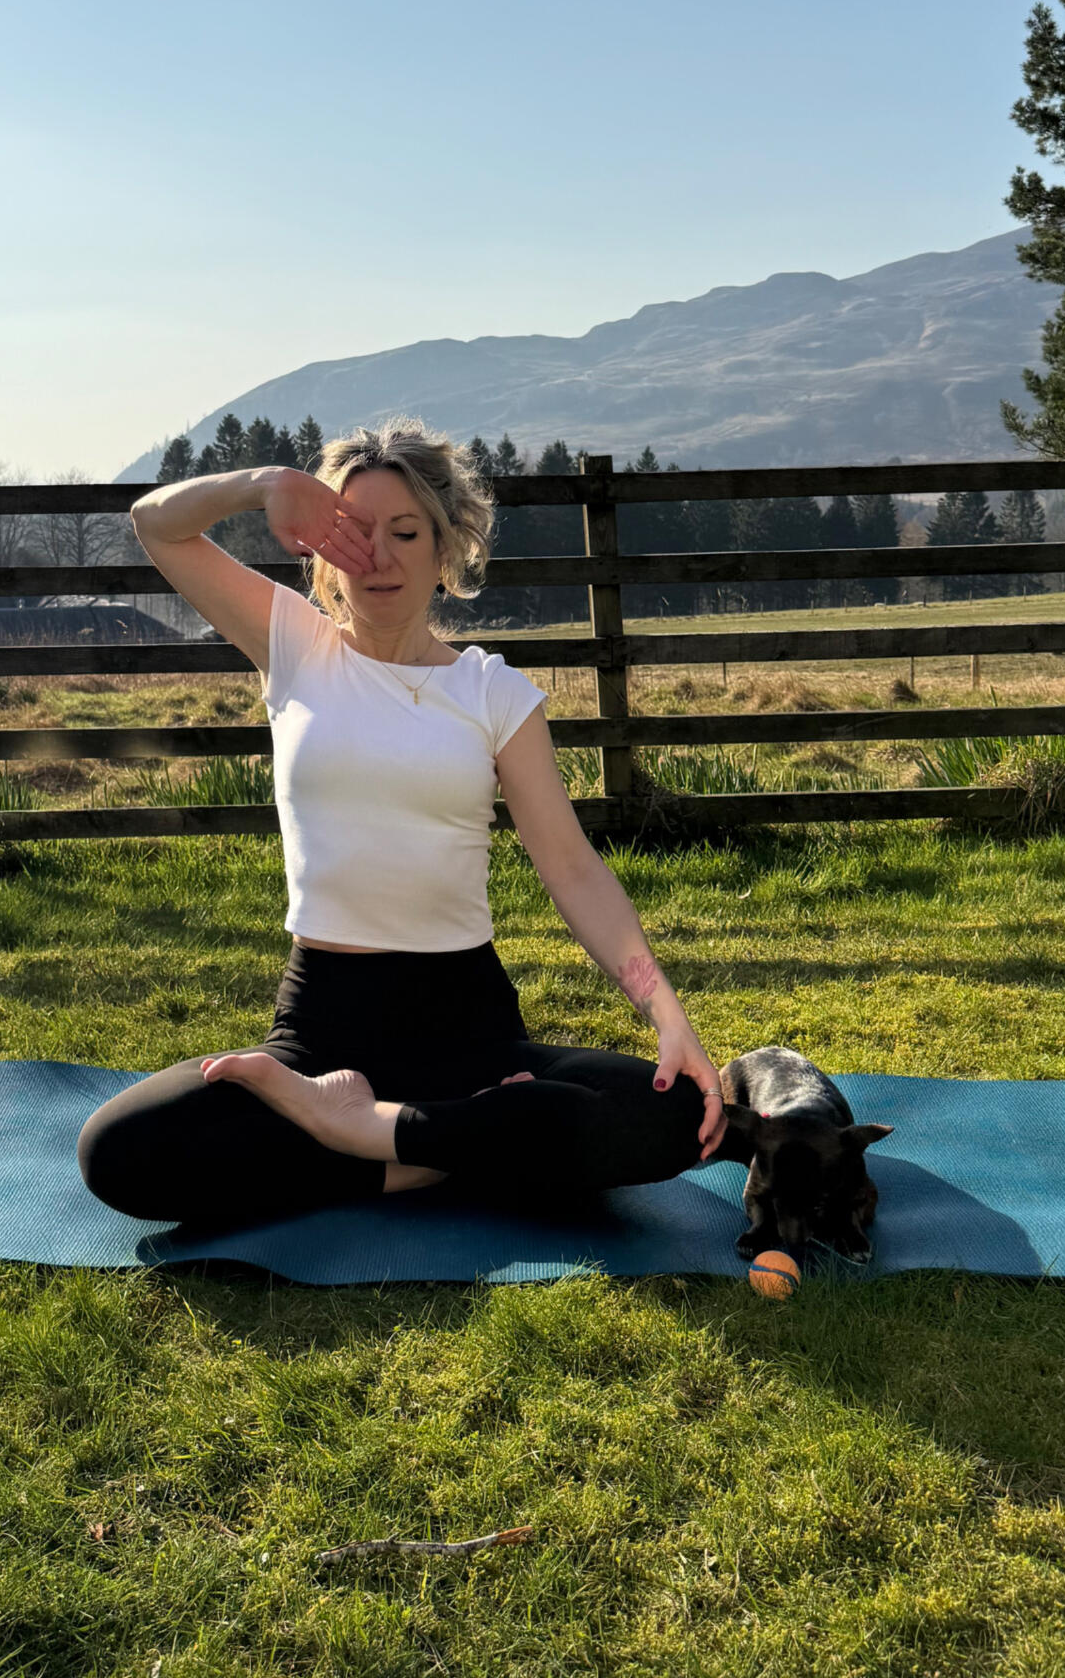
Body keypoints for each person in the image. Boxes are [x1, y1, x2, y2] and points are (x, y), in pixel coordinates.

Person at [76, 418, 726, 1228]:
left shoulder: (493, 693)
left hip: (470, 1033)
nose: (377, 556)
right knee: (119, 1151)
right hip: (320, 1034)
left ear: (444, 548)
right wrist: (265, 484)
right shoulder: (294, 645)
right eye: (353, 534)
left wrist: (668, 1015)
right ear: (322, 552)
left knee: (672, 1115)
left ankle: (375, 1138)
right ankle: (447, 1150)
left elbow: (570, 867)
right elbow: (155, 524)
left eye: (405, 532)